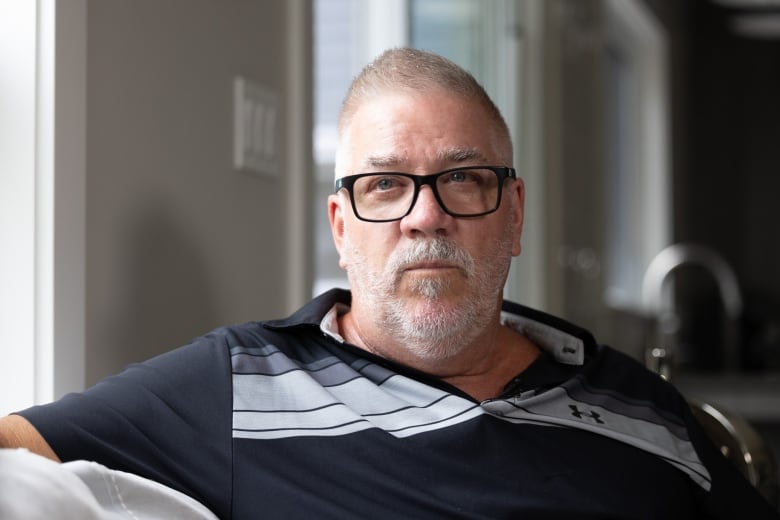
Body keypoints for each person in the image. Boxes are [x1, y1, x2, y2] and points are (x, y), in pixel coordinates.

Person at [0, 47, 777, 519]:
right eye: (384, 186)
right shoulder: (234, 386)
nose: (425, 216)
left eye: (464, 179)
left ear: (513, 213)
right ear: (340, 226)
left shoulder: (643, 409)